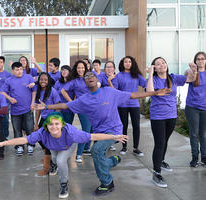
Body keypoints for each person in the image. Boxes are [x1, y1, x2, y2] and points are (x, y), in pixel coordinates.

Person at [34, 71, 171, 196]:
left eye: (92, 75)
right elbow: (65, 106)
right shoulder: (84, 100)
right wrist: (46, 106)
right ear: (85, 83)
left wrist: (154, 93)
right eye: (86, 77)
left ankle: (107, 183)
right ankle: (113, 161)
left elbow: (133, 95)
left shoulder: (110, 92)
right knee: (98, 156)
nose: (89, 78)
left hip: (114, 131)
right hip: (100, 133)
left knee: (96, 151)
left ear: (97, 79)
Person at [0, 112, 128, 199]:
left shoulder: (72, 132)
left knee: (61, 160)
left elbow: (93, 136)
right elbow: (24, 139)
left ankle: (63, 184)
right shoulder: (42, 133)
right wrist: (3, 143)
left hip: (68, 146)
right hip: (53, 147)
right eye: (50, 124)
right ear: (47, 126)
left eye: (56, 124)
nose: (53, 127)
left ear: (62, 124)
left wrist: (114, 136)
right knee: (55, 159)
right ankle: (114, 160)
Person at [146, 57, 196, 188]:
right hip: (158, 116)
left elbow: (191, 79)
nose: (161, 65)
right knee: (159, 143)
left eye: (163, 62)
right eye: (158, 64)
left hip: (171, 115)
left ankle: (161, 161)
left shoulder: (173, 78)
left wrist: (193, 70)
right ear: (154, 67)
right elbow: (149, 91)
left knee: (165, 141)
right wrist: (150, 74)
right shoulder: (154, 79)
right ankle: (156, 173)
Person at [0, 62, 36, 156]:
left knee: (29, 128)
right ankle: (19, 146)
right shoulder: (9, 80)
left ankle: (30, 145)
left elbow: (34, 91)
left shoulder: (29, 77)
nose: (19, 71)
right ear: (12, 71)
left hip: (27, 109)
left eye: (20, 69)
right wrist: (10, 98)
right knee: (17, 129)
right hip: (15, 110)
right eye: (16, 69)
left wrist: (32, 103)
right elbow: (2, 91)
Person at [61, 60, 91, 163]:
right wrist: (71, 102)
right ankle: (78, 154)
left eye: (82, 68)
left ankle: (86, 149)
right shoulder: (74, 81)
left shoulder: (89, 77)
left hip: (93, 106)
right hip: (82, 107)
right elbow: (63, 91)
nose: (81, 70)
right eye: (79, 68)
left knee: (91, 129)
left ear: (86, 68)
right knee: (86, 130)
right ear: (76, 69)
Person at [116, 56, 146, 156]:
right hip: (122, 105)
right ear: (122, 63)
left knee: (136, 126)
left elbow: (145, 84)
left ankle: (136, 148)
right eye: (126, 62)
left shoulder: (136, 75)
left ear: (132, 63)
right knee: (124, 126)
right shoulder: (119, 75)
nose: (128, 63)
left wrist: (151, 74)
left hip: (134, 104)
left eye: (129, 62)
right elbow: (115, 89)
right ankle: (124, 147)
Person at [34, 72, 61, 176]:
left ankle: (53, 163)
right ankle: (47, 153)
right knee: (39, 137)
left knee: (49, 140)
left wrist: (55, 121)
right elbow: (38, 110)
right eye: (41, 79)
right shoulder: (38, 91)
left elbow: (58, 106)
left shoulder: (53, 91)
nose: (43, 81)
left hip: (52, 118)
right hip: (44, 118)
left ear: (49, 81)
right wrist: (36, 123)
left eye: (45, 80)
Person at [184, 52, 206, 168]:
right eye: (198, 59)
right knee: (194, 133)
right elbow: (188, 81)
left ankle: (204, 157)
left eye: (203, 59)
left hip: (205, 108)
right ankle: (195, 158)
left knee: (203, 134)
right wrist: (194, 70)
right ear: (195, 61)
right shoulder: (191, 72)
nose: (201, 61)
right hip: (192, 107)